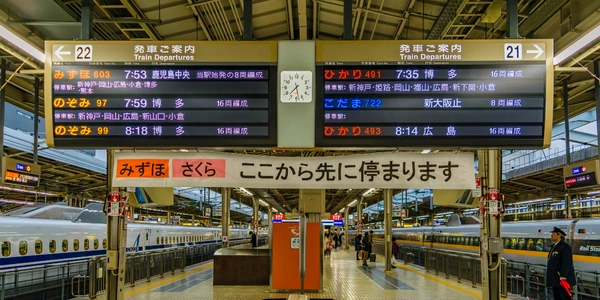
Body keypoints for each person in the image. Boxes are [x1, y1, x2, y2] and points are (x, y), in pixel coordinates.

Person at [546, 226, 576, 300]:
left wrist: (563, 276)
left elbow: (566, 262)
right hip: (555, 279)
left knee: (564, 297)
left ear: (559, 235)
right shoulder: (554, 246)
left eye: (554, 234)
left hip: (562, 280)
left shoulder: (565, 247)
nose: (552, 235)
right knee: (557, 297)